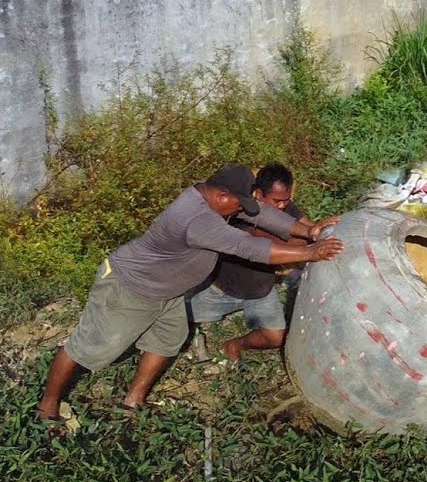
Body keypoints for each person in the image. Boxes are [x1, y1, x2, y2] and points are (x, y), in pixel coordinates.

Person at [36, 165, 343, 421]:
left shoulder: (215, 199)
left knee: (167, 341)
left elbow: (260, 214)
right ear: (222, 196)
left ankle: (133, 402)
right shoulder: (196, 220)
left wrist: (309, 231)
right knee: (88, 349)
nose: (242, 211)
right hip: (131, 288)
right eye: (238, 205)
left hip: (168, 292)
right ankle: (47, 407)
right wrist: (310, 252)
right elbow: (247, 246)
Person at [188, 163, 332, 365]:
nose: (282, 206)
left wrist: (323, 231)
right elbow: (266, 248)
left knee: (275, 338)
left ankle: (234, 345)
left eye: (286, 200)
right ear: (258, 194)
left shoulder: (284, 207)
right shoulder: (239, 211)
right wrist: (305, 245)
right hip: (222, 292)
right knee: (179, 317)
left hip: (260, 292)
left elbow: (312, 230)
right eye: (277, 201)